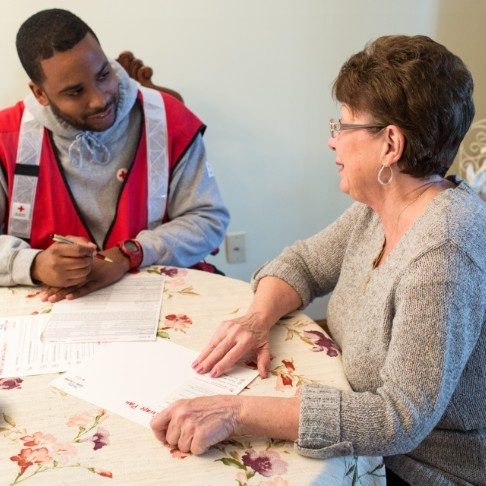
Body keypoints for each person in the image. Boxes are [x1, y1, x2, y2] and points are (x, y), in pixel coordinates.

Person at [150, 35, 485, 485]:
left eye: (343, 127)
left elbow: (399, 419)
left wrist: (237, 412)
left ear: (390, 145)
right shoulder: (383, 205)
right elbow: (304, 263)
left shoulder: (442, 253)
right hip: (364, 434)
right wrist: (256, 318)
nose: (332, 143)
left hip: (422, 469)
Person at [0, 9, 229, 302]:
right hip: (48, 305)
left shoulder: (170, 120)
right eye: (74, 92)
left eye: (103, 75)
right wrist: (34, 264)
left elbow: (208, 219)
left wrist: (129, 254)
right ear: (40, 94)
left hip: (160, 293)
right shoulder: (7, 138)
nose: (100, 99)